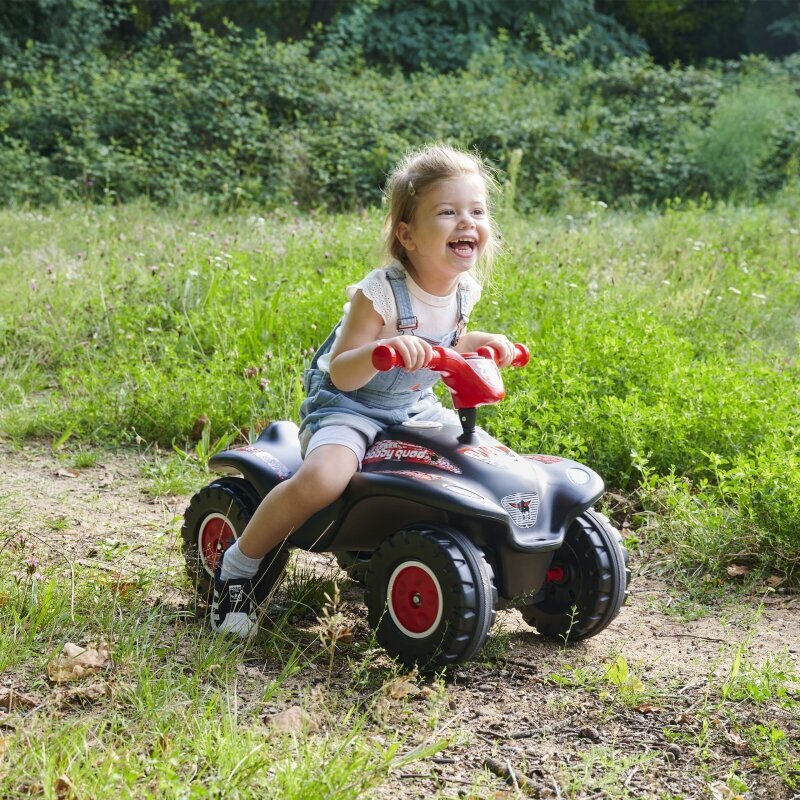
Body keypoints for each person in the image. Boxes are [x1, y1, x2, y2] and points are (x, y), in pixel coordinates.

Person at [212, 144, 516, 636]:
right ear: (408, 235)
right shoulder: (379, 293)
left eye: (477, 211)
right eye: (448, 212)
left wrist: (484, 344)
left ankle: (474, 555)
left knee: (480, 458)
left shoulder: (462, 289)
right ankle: (240, 566)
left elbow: (449, 342)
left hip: (412, 404)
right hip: (349, 407)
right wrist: (387, 347)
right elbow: (342, 371)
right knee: (323, 479)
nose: (467, 222)